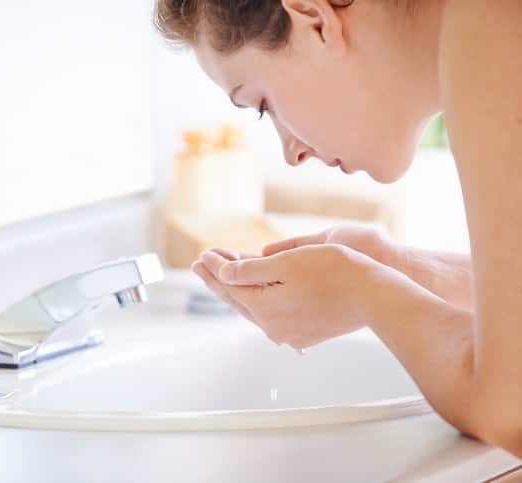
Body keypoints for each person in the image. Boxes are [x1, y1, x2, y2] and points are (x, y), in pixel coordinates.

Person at [154, 0, 522, 456]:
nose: (292, 153)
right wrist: (409, 270)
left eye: (263, 104)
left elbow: (511, 407)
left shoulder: (489, 22)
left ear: (315, 20)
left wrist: (362, 291)